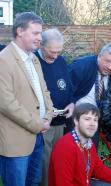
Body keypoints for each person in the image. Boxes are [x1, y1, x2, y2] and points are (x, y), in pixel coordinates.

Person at [0, 12, 53, 186]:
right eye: (36, 33)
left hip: (38, 137)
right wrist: (38, 124)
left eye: (41, 33)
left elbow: (44, 91)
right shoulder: (3, 60)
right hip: (15, 143)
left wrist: (48, 115)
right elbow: (6, 103)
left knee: (33, 182)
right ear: (20, 31)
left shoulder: (34, 59)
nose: (40, 38)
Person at [48, 103, 111, 186]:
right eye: (87, 119)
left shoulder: (88, 143)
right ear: (76, 121)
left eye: (95, 120)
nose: (92, 124)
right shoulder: (65, 146)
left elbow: (98, 169)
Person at [35, 28, 74, 186]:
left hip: (60, 121)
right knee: (44, 162)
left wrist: (71, 103)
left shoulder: (61, 60)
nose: (55, 56)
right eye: (52, 51)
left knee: (57, 159)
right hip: (42, 123)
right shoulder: (33, 61)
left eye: (59, 51)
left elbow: (69, 87)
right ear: (41, 46)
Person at [69, 43, 111, 147]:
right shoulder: (81, 66)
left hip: (99, 117)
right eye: (107, 61)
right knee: (77, 150)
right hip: (78, 116)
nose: (110, 67)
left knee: (92, 149)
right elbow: (66, 90)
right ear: (99, 56)